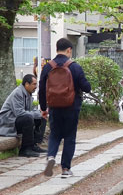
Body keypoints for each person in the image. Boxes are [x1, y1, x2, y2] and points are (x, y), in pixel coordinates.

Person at [39, 38, 91, 178]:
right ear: (69, 50)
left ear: (57, 49)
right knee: (69, 136)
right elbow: (87, 88)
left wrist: (44, 108)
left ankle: (50, 157)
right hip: (71, 107)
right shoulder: (74, 66)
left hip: (54, 107)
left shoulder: (48, 67)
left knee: (55, 135)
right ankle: (65, 169)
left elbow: (42, 89)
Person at [0, 74, 47, 157]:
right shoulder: (18, 93)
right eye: (34, 84)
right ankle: (25, 149)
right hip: (9, 121)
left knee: (42, 117)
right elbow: (19, 113)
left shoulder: (28, 93)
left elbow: (29, 111)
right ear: (26, 84)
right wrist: (37, 113)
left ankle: (33, 145)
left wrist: (40, 113)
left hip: (17, 119)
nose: (36, 87)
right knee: (28, 118)